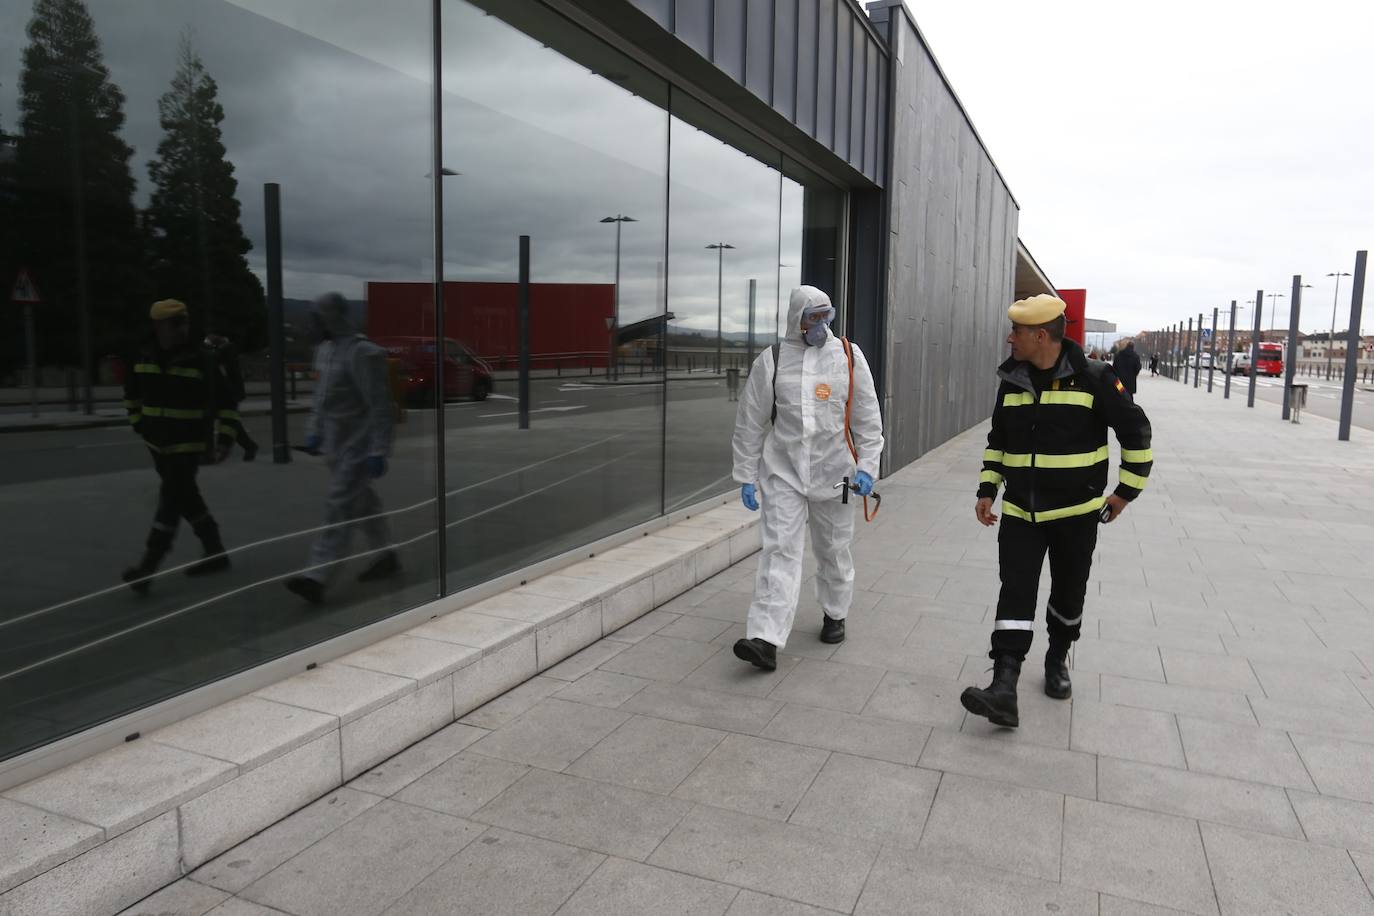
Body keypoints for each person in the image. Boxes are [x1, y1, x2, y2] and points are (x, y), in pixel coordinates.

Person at [962, 294, 1152, 727]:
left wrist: (1125, 492)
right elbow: (998, 442)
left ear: (1041, 336)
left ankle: (1056, 657)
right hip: (1021, 515)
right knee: (1015, 593)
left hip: (1076, 516)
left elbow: (1137, 433)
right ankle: (1004, 683)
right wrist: (987, 488)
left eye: (1017, 332)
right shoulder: (1012, 381)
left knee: (1068, 593)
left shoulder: (1096, 379)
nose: (1010, 338)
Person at [729, 286, 885, 670]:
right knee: (779, 550)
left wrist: (867, 467)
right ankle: (765, 637)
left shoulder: (848, 356)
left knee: (832, 548)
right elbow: (750, 422)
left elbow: (867, 418)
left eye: (825, 316)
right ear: (796, 318)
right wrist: (747, 474)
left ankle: (835, 612)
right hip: (784, 472)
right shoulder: (774, 359)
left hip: (835, 472)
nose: (820, 324)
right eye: (812, 317)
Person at [121, 299, 244, 593]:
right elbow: (132, 394)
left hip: (187, 446)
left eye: (185, 322)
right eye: (175, 324)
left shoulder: (203, 360)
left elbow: (228, 404)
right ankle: (215, 551)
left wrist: (225, 439)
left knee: (171, 500)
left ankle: (148, 566)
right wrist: (139, 423)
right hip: (156, 443)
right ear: (159, 326)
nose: (182, 329)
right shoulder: (142, 356)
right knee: (187, 497)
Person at [285, 292, 399, 604]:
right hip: (336, 446)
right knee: (364, 503)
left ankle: (317, 576)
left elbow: (380, 407)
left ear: (331, 318)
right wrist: (314, 432)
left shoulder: (364, 354)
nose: (313, 325)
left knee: (338, 506)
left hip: (358, 447)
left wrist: (379, 449)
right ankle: (386, 554)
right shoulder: (325, 351)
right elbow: (321, 399)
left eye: (317, 318)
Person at [205, 333, 259, 461]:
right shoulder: (220, 351)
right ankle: (249, 446)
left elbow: (225, 370)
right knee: (229, 422)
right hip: (221, 394)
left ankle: (219, 450)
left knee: (227, 422)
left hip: (227, 394)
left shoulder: (225, 351)